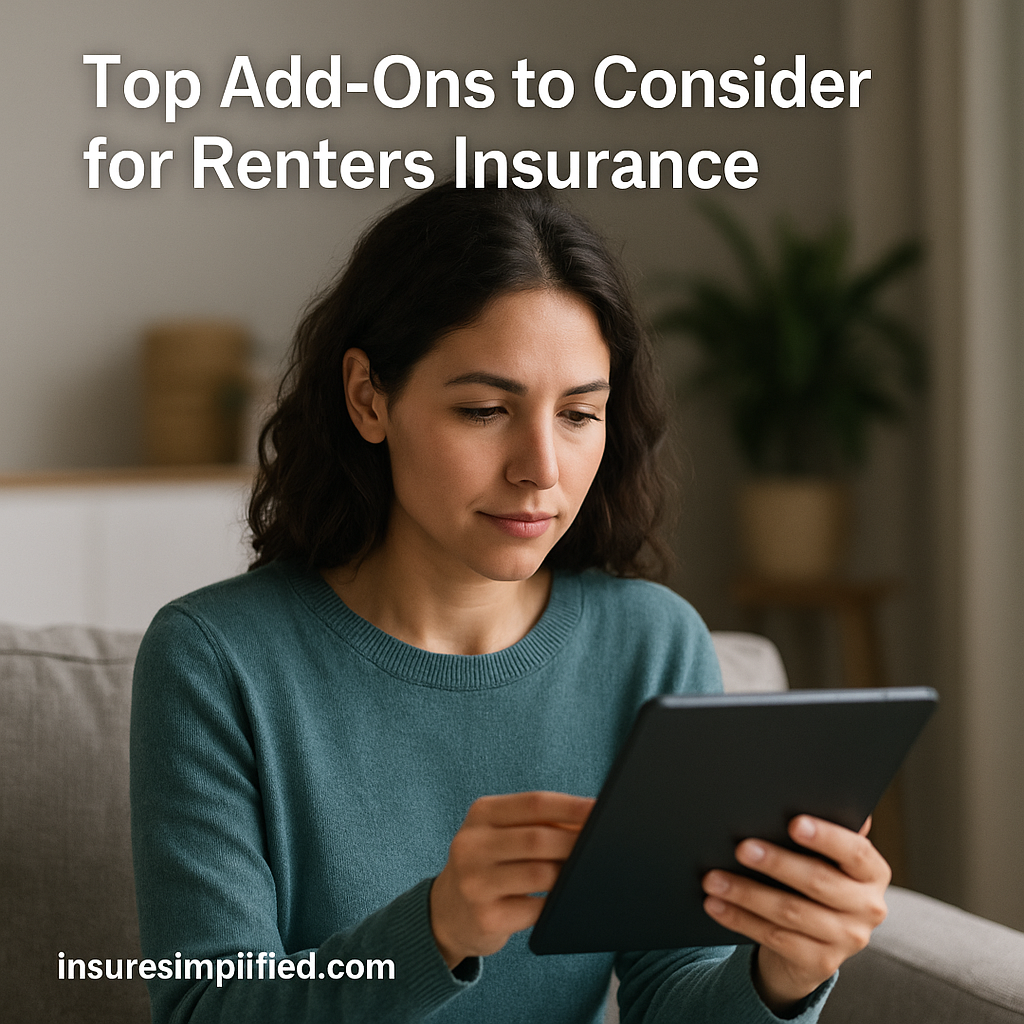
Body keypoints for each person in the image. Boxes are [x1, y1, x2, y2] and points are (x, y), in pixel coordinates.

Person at [130, 181, 890, 1024]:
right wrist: (435, 931)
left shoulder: (651, 643)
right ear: (368, 397)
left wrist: (781, 975)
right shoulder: (215, 658)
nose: (541, 468)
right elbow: (204, 1011)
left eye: (578, 414)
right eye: (485, 410)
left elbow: (670, 998)